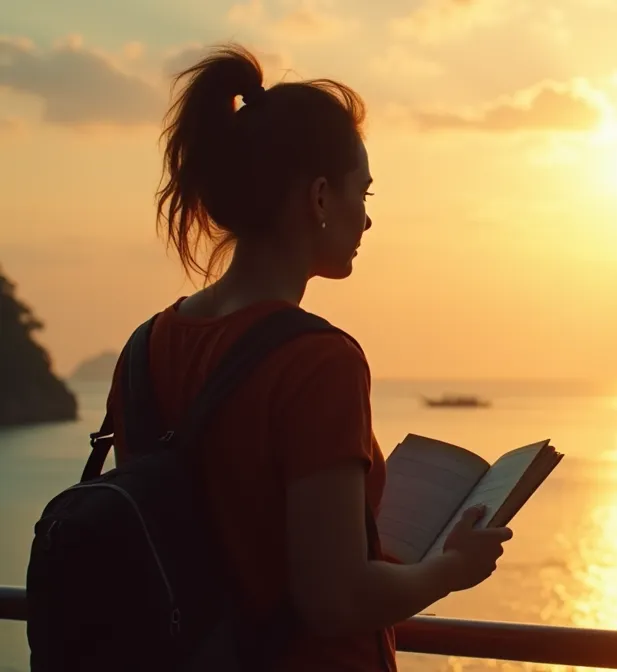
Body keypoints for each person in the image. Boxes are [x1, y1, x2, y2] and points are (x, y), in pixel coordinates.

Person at [104, 44, 512, 670]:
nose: (368, 221)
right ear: (320, 198)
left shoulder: (145, 347)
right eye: (364, 193)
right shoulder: (319, 362)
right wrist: (450, 569)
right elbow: (336, 600)